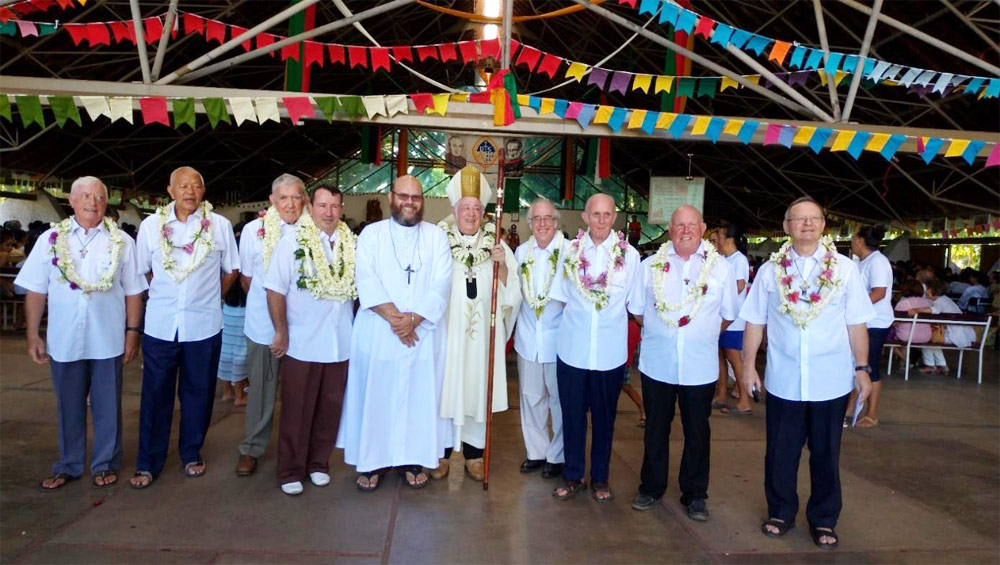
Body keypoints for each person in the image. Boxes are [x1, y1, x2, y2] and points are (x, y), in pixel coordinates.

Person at [741, 196, 874, 550]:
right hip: (784, 379)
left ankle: (824, 519)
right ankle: (781, 512)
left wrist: (862, 368)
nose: (807, 224)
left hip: (830, 380)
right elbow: (755, 320)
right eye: (799, 219)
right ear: (786, 226)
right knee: (780, 453)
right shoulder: (770, 270)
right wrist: (747, 366)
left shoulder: (844, 268)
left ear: (823, 225)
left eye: (814, 218)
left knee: (826, 454)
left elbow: (856, 323)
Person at [15, 176, 146, 492]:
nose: (92, 202)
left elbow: (134, 292)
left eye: (99, 197)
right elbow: (35, 290)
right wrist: (33, 334)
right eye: (85, 196)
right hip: (64, 341)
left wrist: (132, 332)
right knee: (68, 405)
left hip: (108, 338)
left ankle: (105, 463)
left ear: (106, 203)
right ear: (70, 202)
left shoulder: (122, 242)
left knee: (107, 406)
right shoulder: (50, 239)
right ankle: (69, 465)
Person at [337, 175, 453, 491]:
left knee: (418, 398)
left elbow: (442, 283)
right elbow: (366, 278)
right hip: (379, 332)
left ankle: (412, 460)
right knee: (377, 395)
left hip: (422, 335)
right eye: (404, 196)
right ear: (391, 197)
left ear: (423, 201)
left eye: (416, 197)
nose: (410, 203)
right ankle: (373, 461)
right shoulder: (371, 235)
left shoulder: (436, 237)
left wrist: (413, 320)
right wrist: (397, 320)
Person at [130, 167, 240, 489]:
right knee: (155, 394)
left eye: (196, 185)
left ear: (203, 191)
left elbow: (231, 269)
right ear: (170, 190)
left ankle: (191, 452)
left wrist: (212, 296)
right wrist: (165, 293)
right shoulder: (151, 226)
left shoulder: (218, 225)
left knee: (199, 393)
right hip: (161, 326)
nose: (189, 191)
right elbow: (144, 271)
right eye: (183, 185)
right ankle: (148, 462)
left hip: (204, 326)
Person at [628, 206, 738, 520]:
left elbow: (729, 314)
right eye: (679, 225)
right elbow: (637, 310)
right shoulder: (650, 265)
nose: (685, 230)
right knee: (656, 430)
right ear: (670, 229)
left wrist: (699, 335)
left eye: (692, 225)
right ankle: (651, 487)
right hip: (657, 364)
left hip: (699, 367)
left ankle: (695, 494)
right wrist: (664, 331)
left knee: (697, 432)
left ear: (703, 228)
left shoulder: (720, 269)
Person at [263, 185, 356, 496]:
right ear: (310, 207)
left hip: (339, 342)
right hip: (302, 341)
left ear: (341, 209)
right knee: (297, 410)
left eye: (334, 206)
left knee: (330, 408)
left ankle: (319, 464)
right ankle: (290, 469)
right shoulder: (291, 243)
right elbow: (274, 289)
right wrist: (281, 330)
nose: (328, 212)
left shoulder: (350, 245)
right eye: (322, 205)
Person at [549, 193, 640, 503]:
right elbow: (560, 297)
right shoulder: (569, 251)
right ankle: (573, 475)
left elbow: (634, 303)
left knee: (604, 418)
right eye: (595, 214)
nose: (601, 220)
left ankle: (600, 478)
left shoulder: (630, 256)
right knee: (572, 416)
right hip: (572, 349)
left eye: (607, 214)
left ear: (614, 217)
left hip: (609, 353)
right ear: (585, 217)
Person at [437, 165, 521, 482]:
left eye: (476, 208)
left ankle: (474, 455)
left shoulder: (498, 247)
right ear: (454, 209)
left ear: (483, 212)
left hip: (481, 340)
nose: (470, 214)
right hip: (447, 336)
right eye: (465, 208)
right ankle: (441, 453)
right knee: (445, 390)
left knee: (476, 389)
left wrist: (500, 267)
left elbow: (513, 294)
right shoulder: (439, 242)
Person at [235, 174, 307, 477]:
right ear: (272, 201)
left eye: (296, 197)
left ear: (304, 200)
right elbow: (248, 278)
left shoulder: (313, 230)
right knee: (262, 389)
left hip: (304, 328)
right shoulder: (253, 231)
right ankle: (251, 448)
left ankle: (296, 453)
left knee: (299, 393)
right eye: (283, 198)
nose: (290, 204)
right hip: (263, 325)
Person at [513, 199, 566, 479]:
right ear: (530, 223)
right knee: (531, 398)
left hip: (559, 342)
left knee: (559, 400)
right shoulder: (521, 252)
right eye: (537, 219)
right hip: (527, 338)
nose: (543, 224)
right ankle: (536, 452)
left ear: (556, 222)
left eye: (547, 218)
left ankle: (557, 457)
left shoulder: (569, 252)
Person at [846, 226, 893, 429]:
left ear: (860, 240)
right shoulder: (859, 262)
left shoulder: (878, 262)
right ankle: (849, 409)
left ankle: (872, 413)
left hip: (875, 322)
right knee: (856, 365)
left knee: (869, 366)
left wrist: (856, 308)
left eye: (854, 237)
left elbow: (879, 292)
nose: (852, 241)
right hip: (861, 322)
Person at [710, 222, 752, 415]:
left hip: (734, 320)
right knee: (721, 355)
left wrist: (719, 297)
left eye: (719, 235)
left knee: (734, 359)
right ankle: (721, 395)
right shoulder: (723, 259)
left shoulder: (739, 260)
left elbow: (740, 285)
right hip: (720, 317)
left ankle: (744, 399)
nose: (716, 239)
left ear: (729, 239)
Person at [910, 280, 975, 374]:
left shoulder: (941, 302)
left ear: (934, 292)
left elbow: (934, 310)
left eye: (928, 290)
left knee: (925, 338)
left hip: (956, 336)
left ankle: (931, 365)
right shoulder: (944, 299)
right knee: (932, 339)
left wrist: (917, 310)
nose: (926, 292)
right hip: (963, 334)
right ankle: (941, 365)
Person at [218, 222, 249, 407]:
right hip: (243, 311)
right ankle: (239, 395)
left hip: (227, 309)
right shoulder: (243, 262)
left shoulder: (227, 261)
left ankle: (227, 392)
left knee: (226, 350)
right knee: (240, 352)